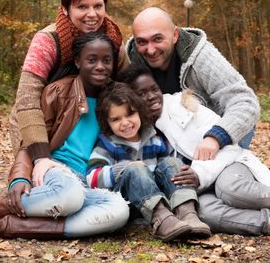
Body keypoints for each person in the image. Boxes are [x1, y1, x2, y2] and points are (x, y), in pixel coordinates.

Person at [120, 65, 270, 241]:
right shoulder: (135, 131)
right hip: (197, 190)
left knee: (229, 190)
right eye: (141, 94)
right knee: (206, 214)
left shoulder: (185, 108)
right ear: (130, 99)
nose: (151, 97)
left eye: (153, 89)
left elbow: (229, 149)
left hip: (228, 165)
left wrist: (200, 174)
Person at [0, 32, 129, 245]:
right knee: (70, 196)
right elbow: (31, 141)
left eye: (107, 60)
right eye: (92, 60)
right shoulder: (58, 92)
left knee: (119, 210)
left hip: (88, 181)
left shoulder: (116, 97)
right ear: (78, 61)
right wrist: (20, 177)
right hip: (54, 172)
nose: (100, 66)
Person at [9, 0, 126, 159]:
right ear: (65, 8)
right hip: (42, 125)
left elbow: (129, 89)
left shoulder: (113, 43)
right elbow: (27, 100)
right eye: (82, 6)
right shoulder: (47, 41)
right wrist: (40, 158)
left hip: (89, 128)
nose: (92, 14)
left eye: (98, 6)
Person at [127, 6, 259, 157]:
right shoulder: (132, 65)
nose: (150, 50)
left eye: (158, 39)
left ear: (175, 35)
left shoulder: (201, 57)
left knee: (221, 177)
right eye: (142, 42)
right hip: (173, 140)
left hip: (218, 133)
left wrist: (215, 137)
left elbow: (245, 101)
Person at [86, 83, 211, 241]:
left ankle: (186, 213)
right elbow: (92, 178)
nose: (125, 123)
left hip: (164, 201)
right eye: (116, 119)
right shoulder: (107, 143)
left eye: (130, 114)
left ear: (139, 112)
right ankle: (161, 219)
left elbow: (169, 171)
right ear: (107, 122)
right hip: (131, 205)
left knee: (173, 162)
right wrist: (123, 169)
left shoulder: (155, 140)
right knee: (136, 168)